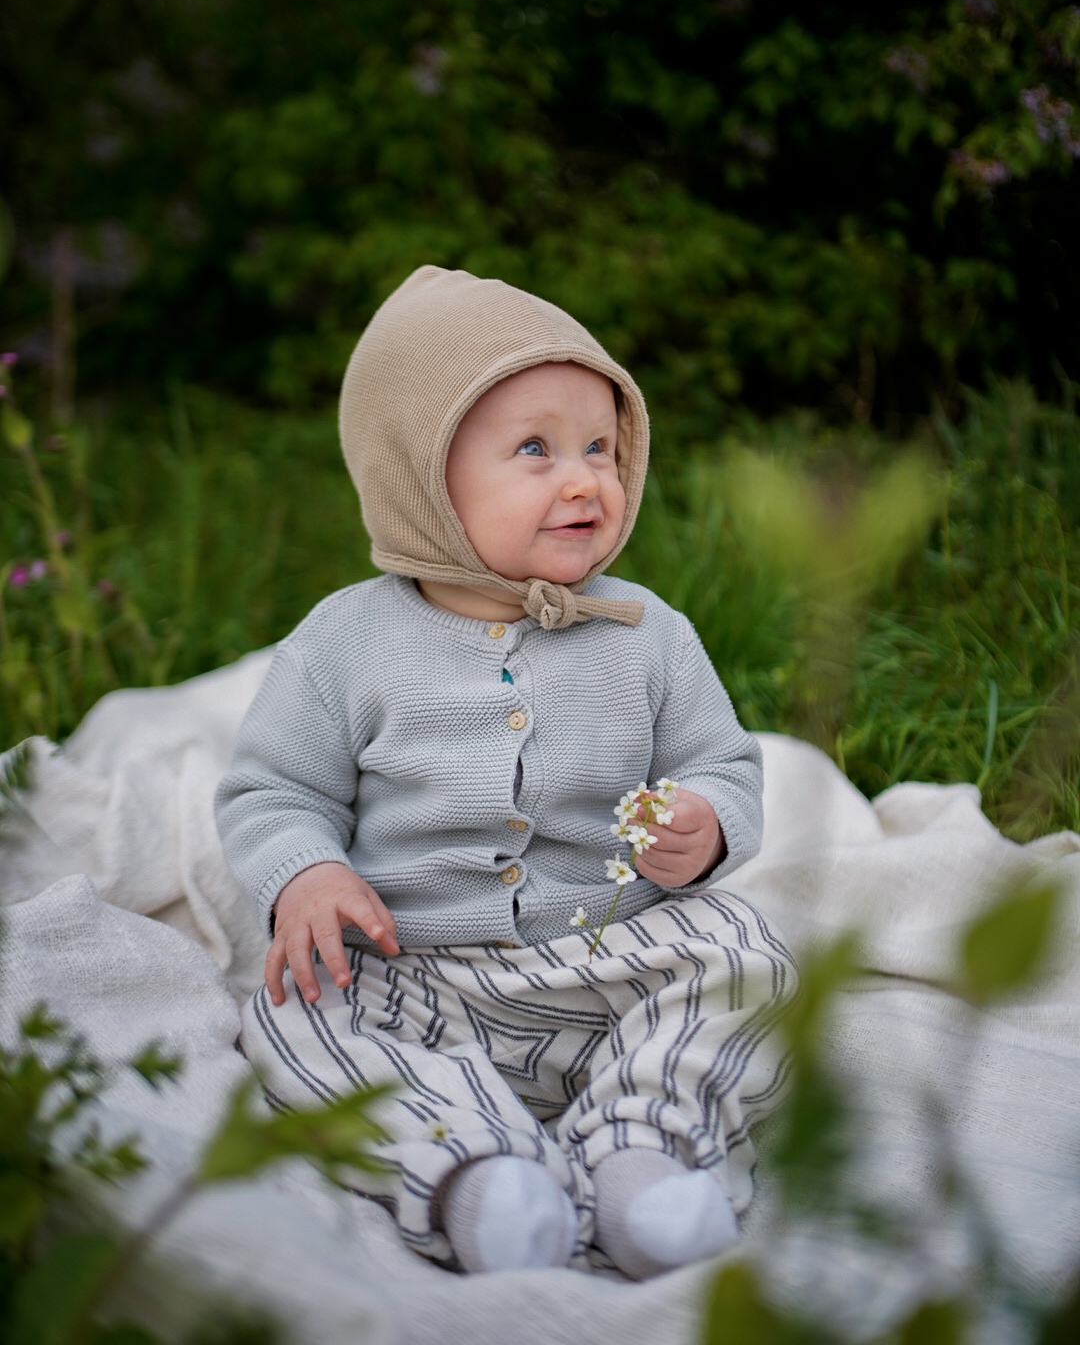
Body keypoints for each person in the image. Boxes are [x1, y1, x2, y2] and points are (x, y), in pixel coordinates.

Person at [214, 266, 796, 1279]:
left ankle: (645, 1149)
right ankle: (475, 1172)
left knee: (747, 949)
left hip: (602, 966)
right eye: (536, 449)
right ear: (419, 478)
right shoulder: (345, 642)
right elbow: (275, 791)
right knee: (289, 1015)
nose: (584, 480)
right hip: (407, 977)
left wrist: (706, 819)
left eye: (601, 448)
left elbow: (721, 758)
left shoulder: (648, 632)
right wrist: (306, 872)